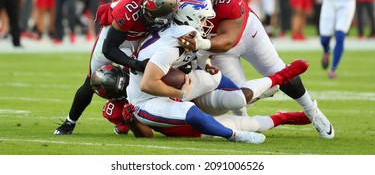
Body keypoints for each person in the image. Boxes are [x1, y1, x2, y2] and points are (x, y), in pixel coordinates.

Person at [108, 0, 309, 144]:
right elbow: (148, 84)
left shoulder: (186, 33)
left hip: (174, 86)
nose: (206, 23)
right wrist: (178, 94)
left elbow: (190, 55)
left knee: (237, 97)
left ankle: (278, 80)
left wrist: (206, 64)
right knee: (193, 112)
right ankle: (235, 135)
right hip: (148, 100)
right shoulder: (172, 44)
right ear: (190, 16)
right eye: (203, 18)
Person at [178, 0, 335, 139]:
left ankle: (312, 111)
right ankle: (244, 120)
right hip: (215, 47)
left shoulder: (229, 0)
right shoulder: (179, 5)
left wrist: (202, 45)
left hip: (247, 36)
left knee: (281, 73)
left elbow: (229, 40)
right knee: (237, 96)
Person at [54, 0, 177, 135]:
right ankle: (69, 123)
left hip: (142, 35)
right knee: (96, 80)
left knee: (144, 76)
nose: (161, 21)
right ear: (144, 7)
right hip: (119, 36)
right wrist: (135, 64)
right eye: (156, 16)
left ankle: (125, 116)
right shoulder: (127, 11)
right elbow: (109, 49)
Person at [93, 65, 311, 139]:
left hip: (194, 97)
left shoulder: (139, 71)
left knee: (238, 97)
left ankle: (276, 80)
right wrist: (130, 122)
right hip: (187, 128)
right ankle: (282, 117)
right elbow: (147, 135)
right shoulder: (119, 109)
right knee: (251, 126)